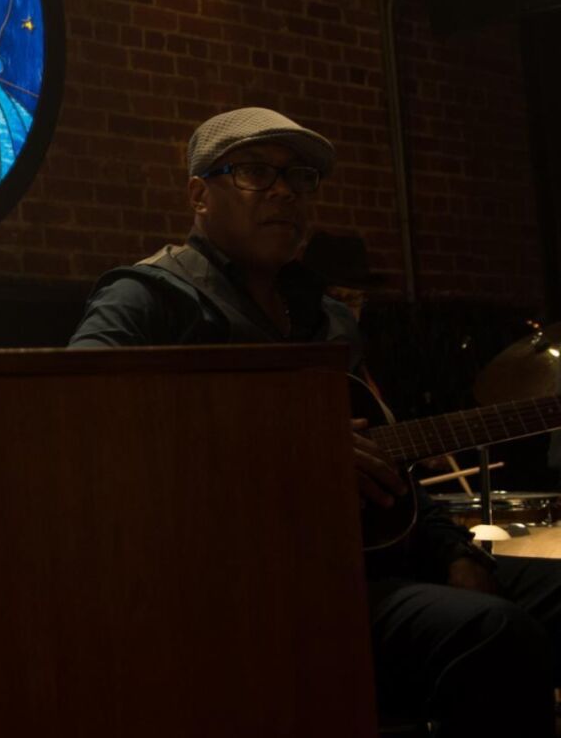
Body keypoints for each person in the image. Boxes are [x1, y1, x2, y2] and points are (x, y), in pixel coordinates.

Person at [68, 107, 559, 737]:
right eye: (254, 172)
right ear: (198, 194)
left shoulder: (329, 318)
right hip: (248, 593)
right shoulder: (149, 297)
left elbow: (387, 463)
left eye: (300, 177)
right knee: (492, 633)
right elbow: (75, 414)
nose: (284, 192)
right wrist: (281, 448)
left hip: (365, 563)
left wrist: (455, 551)